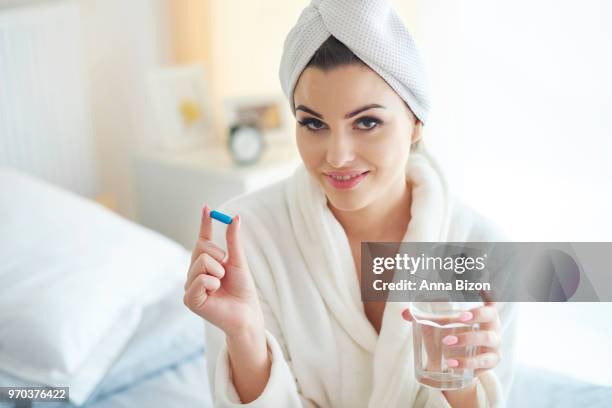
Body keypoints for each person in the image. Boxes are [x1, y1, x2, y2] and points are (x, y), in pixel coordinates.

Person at [184, 1, 516, 406]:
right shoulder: (243, 236)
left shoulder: (484, 249)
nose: (337, 156)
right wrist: (245, 336)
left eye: (366, 122)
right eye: (313, 123)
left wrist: (460, 381)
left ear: (415, 122)